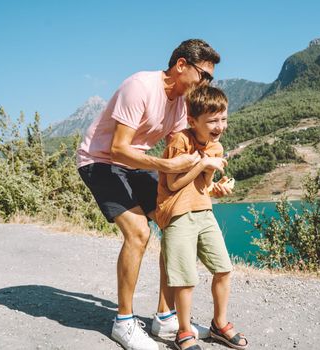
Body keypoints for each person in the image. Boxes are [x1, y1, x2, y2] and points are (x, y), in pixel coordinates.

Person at [77, 39, 229, 350]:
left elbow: (182, 147)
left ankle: (165, 316)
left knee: (173, 220)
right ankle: (123, 321)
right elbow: (118, 148)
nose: (206, 83)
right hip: (100, 160)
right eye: (205, 75)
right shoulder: (140, 87)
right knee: (138, 233)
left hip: (135, 162)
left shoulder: (181, 104)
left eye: (210, 79)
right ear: (181, 65)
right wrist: (166, 164)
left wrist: (210, 173)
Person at [155, 85, 249, 350]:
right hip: (177, 215)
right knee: (185, 278)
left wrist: (217, 187)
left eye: (223, 118)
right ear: (193, 120)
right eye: (212, 121)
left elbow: (202, 185)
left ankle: (219, 324)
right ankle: (184, 332)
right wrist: (202, 163)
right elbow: (173, 184)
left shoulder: (216, 147)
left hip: (204, 212)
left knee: (224, 268)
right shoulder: (180, 141)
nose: (219, 125)